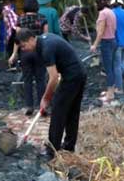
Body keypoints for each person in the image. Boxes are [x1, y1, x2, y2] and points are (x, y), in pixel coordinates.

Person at [15, 29, 86, 159]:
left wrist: (46, 98)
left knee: (58, 111)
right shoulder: (45, 39)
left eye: (24, 46)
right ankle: (69, 146)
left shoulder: (46, 49)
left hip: (72, 76)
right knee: (72, 112)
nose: (24, 49)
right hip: (79, 73)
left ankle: (52, 150)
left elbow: (53, 77)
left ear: (31, 39)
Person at [8, 0, 48, 115]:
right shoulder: (42, 18)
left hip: (25, 52)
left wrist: (14, 54)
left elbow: (18, 38)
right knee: (41, 79)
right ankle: (43, 107)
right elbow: (46, 36)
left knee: (27, 79)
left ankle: (29, 106)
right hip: (39, 51)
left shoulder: (21, 19)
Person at [90, 0, 120, 102]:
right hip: (113, 40)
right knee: (111, 67)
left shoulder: (103, 13)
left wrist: (94, 45)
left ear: (99, 3)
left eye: (96, 3)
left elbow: (101, 32)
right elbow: (114, 28)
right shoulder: (111, 12)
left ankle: (110, 95)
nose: (95, 5)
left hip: (106, 42)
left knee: (108, 69)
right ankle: (110, 90)